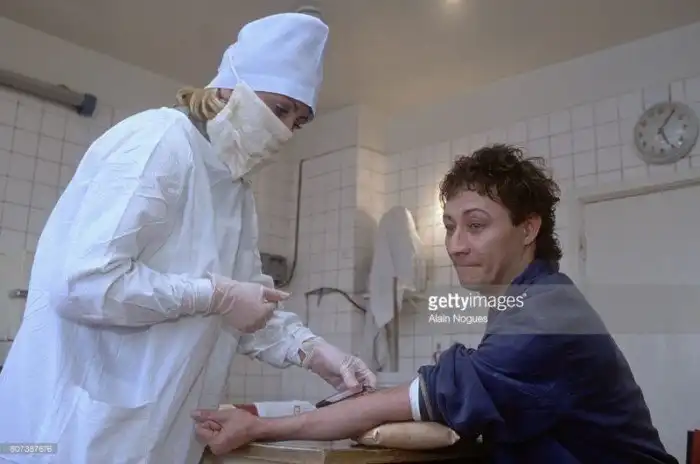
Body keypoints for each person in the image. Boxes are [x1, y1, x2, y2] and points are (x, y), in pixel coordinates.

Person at [0, 12, 375, 464]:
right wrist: (213, 294)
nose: (285, 130)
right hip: (68, 433)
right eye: (279, 109)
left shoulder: (235, 189)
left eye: (298, 121)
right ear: (228, 89)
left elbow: (246, 307)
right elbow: (84, 282)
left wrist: (312, 351)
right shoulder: (158, 142)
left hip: (156, 437)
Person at [191, 144, 678, 463]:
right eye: (449, 227)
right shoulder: (531, 300)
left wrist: (259, 427)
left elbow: (433, 395)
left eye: (476, 225)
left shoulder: (546, 313)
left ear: (528, 228)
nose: (456, 245)